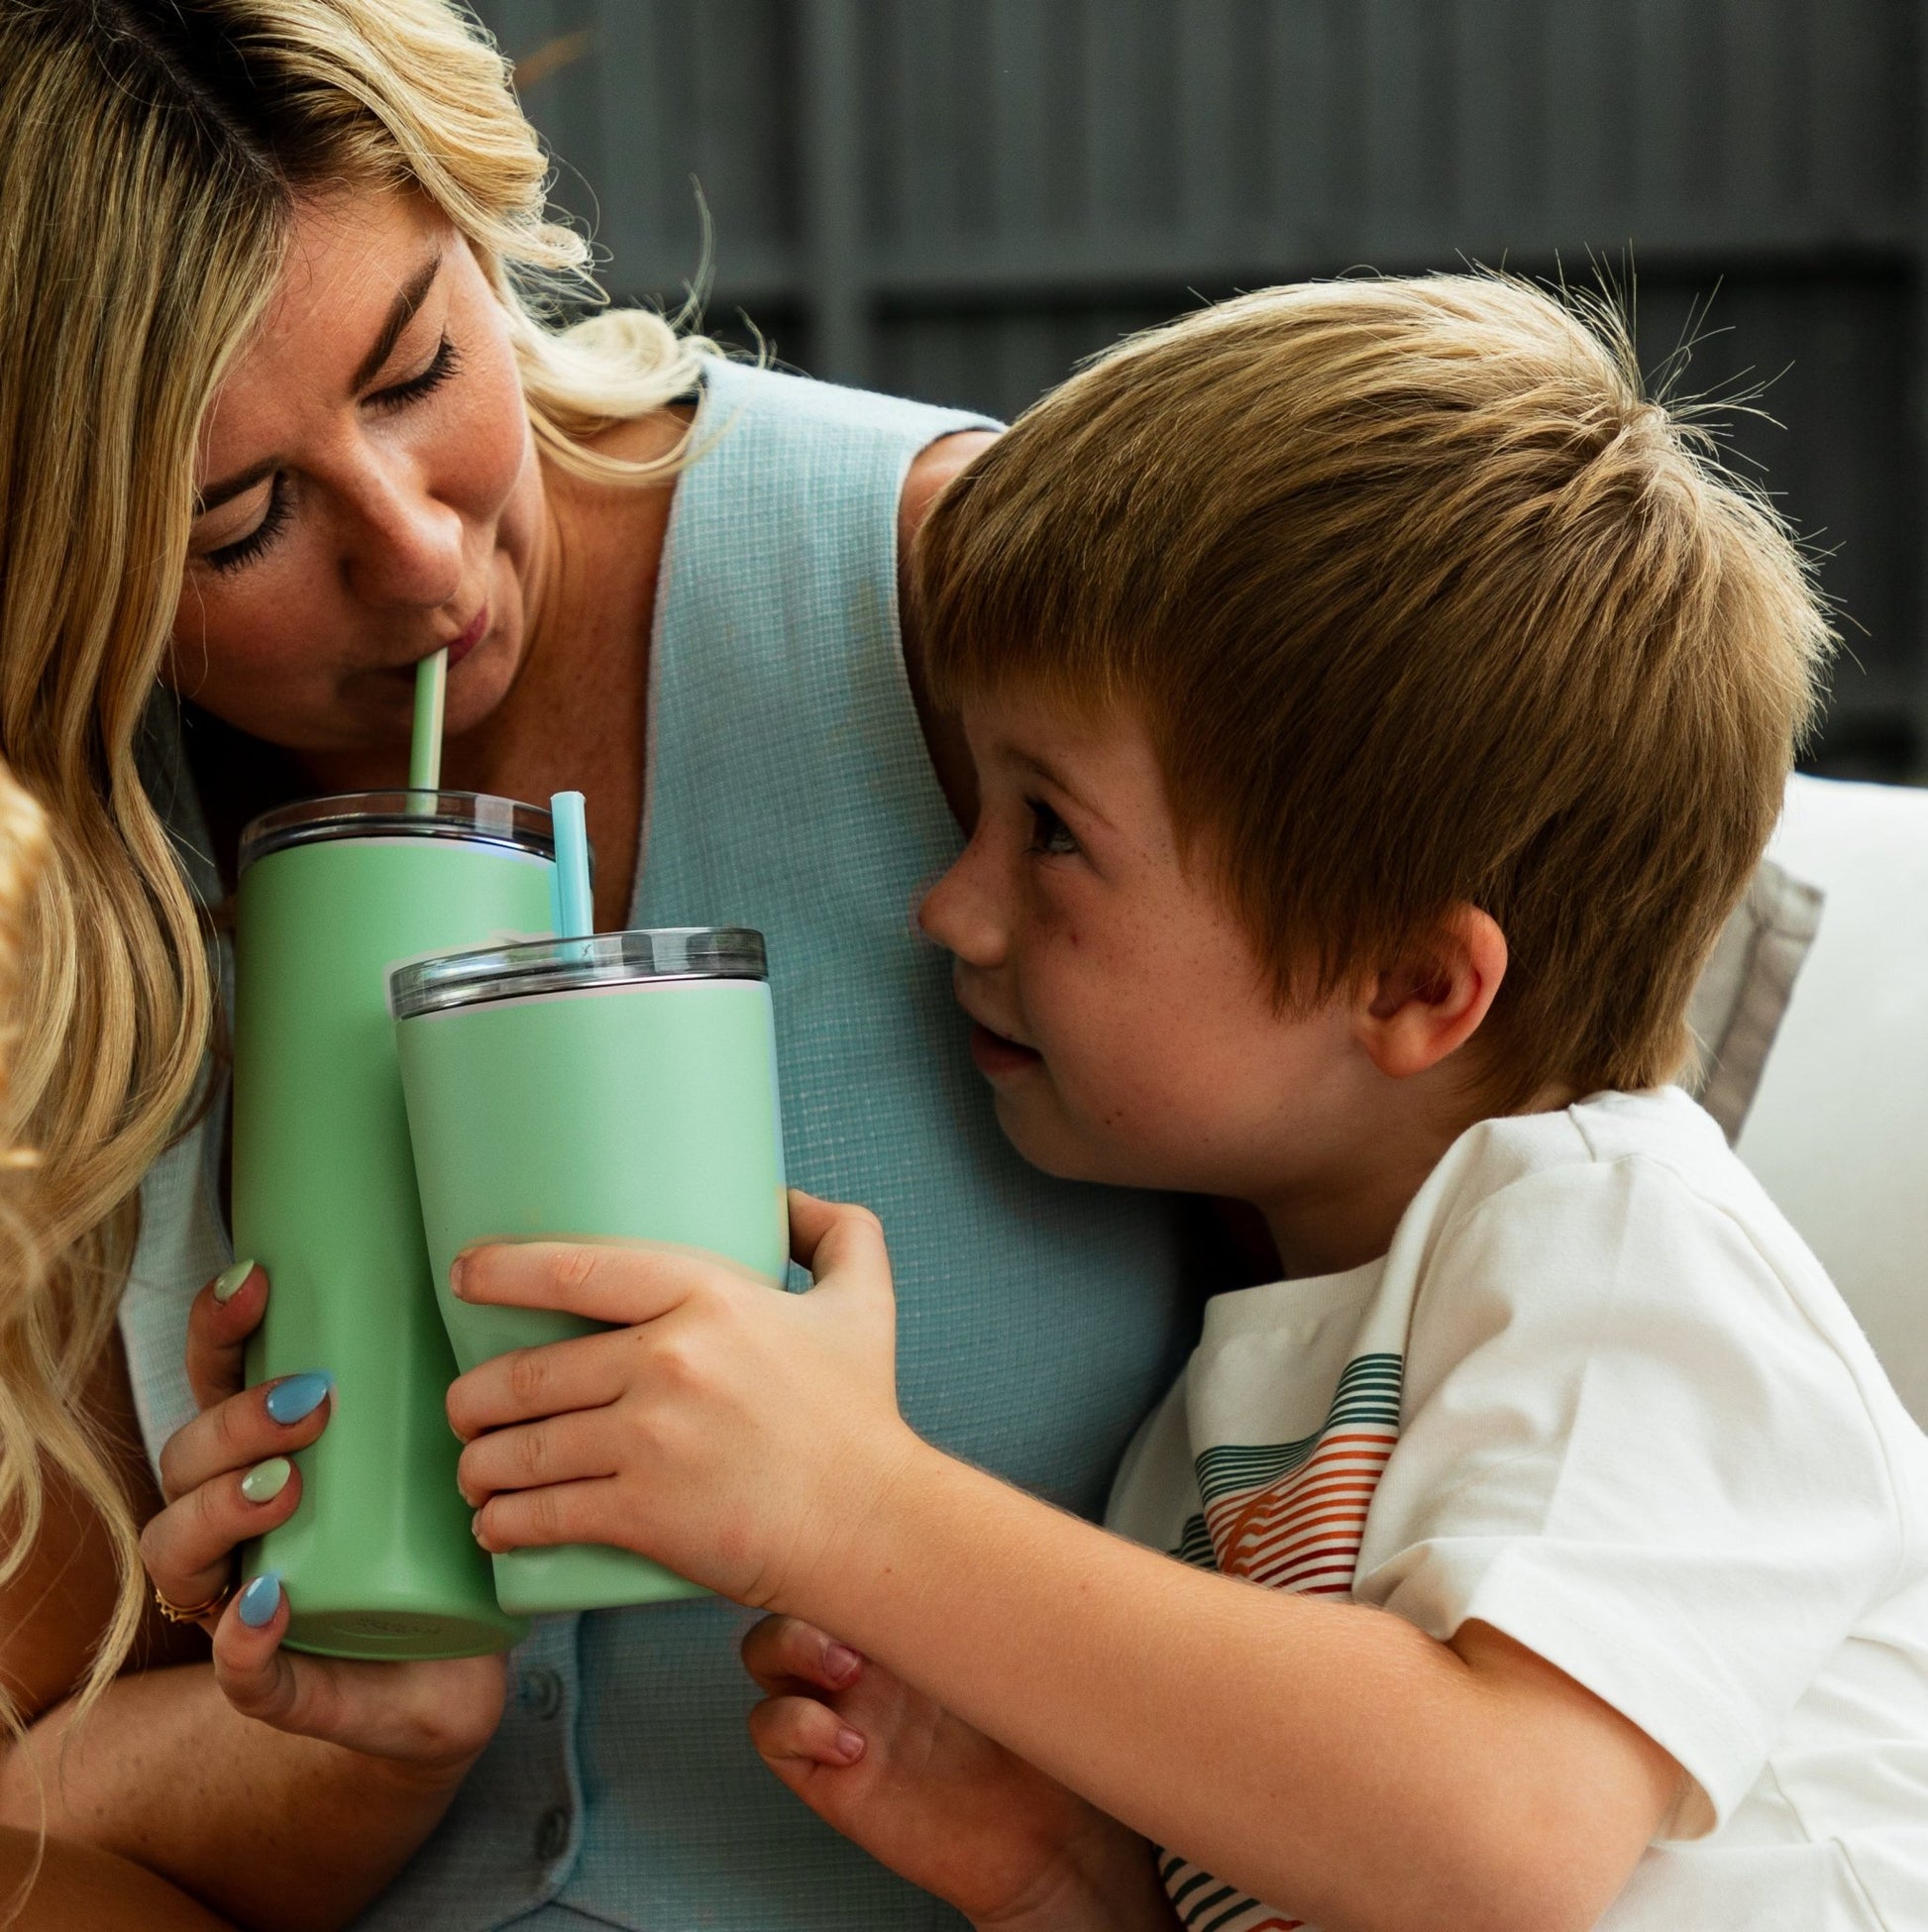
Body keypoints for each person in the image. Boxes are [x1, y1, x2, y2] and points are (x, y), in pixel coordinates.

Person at [434, 276, 1928, 1931]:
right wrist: (1056, 1870)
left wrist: (851, 1502)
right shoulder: (1216, 1430)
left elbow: (1497, 1842)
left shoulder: (1620, 1255)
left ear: (1412, 986)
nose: (950, 907)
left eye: (1051, 833)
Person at [0, 4, 1196, 1927]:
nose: (414, 556)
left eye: (416, 371)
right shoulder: (69, 873)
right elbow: (43, 1817)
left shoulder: (961, 604)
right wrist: (342, 1717)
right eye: (240, 520)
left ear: (485, 240)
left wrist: (872, 1530)